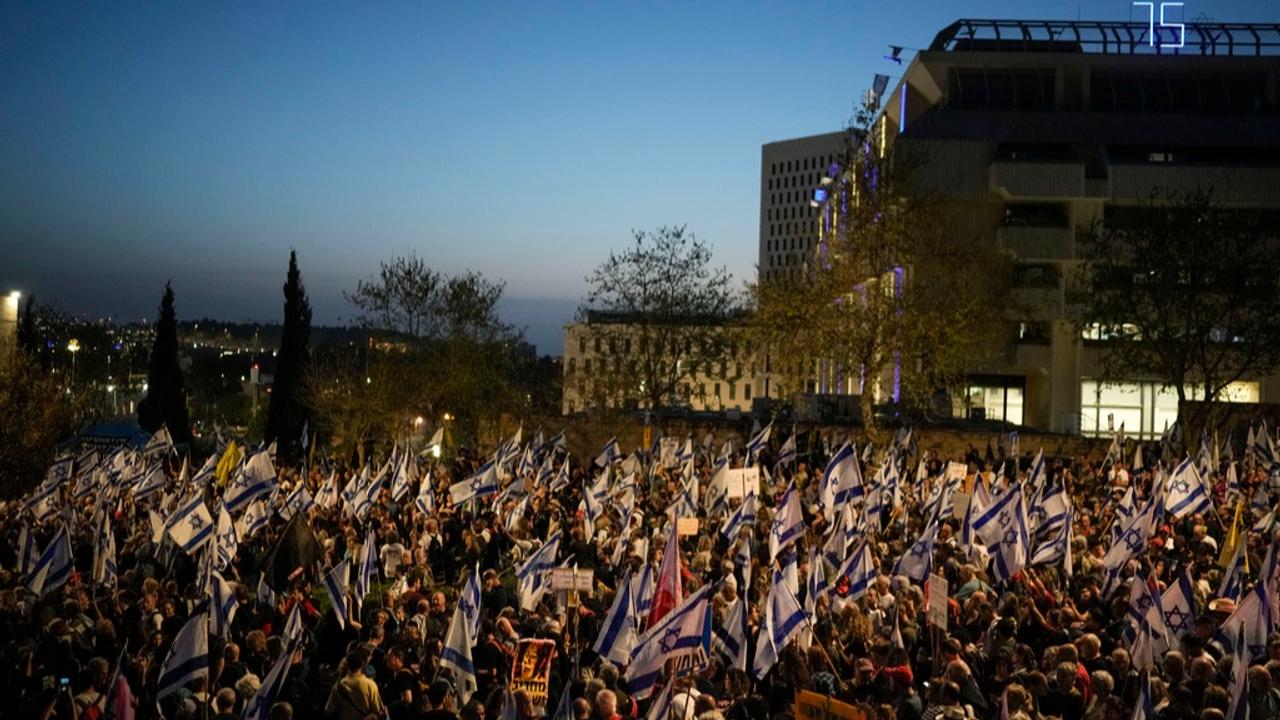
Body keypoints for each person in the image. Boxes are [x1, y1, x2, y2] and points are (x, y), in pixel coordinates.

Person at [326, 651, 386, 720]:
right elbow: (378, 710)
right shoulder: (371, 684)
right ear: (362, 664)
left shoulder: (339, 684)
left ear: (347, 665)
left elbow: (329, 709)